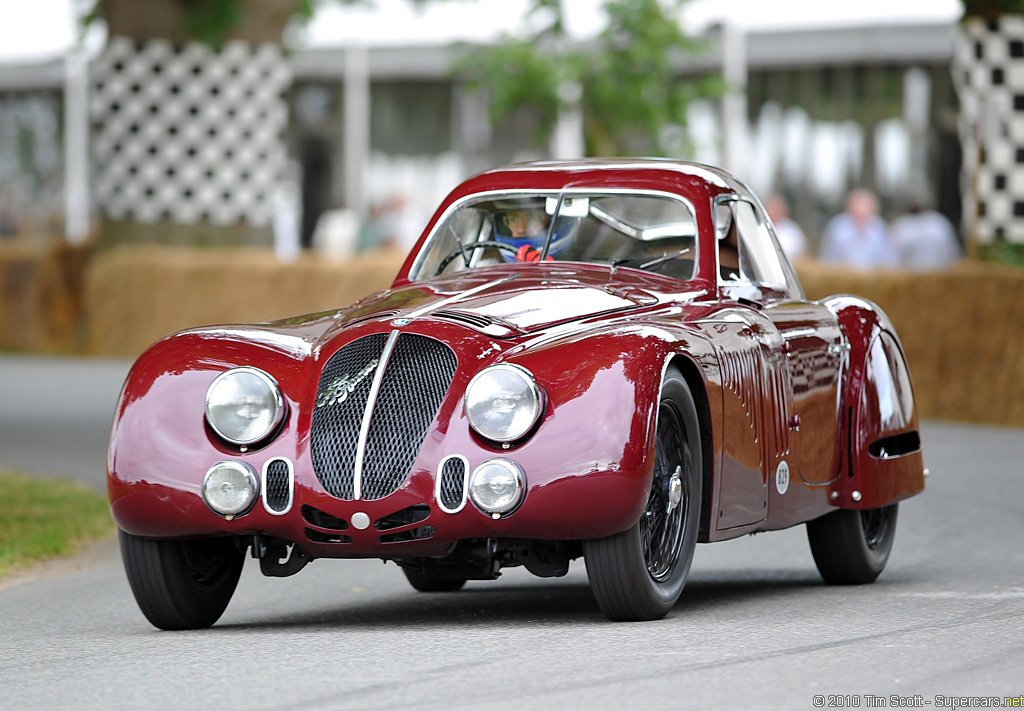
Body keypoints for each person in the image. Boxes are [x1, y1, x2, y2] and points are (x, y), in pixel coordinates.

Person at [819, 188, 897, 269]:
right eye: (857, 205)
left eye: (865, 205)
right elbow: (828, 256)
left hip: (873, 277)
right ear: (849, 207)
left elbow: (889, 258)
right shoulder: (837, 227)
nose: (861, 209)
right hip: (842, 276)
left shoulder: (880, 227)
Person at [890, 189, 961, 271]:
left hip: (938, 276)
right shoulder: (900, 225)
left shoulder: (939, 223)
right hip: (909, 279)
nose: (915, 202)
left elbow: (953, 255)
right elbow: (891, 259)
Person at [764, 194, 808, 261]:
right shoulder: (761, 227)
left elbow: (802, 255)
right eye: (770, 209)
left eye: (775, 209)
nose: (772, 212)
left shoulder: (792, 232)